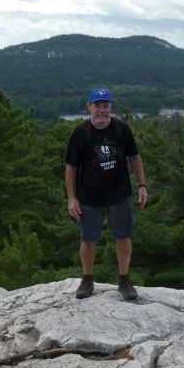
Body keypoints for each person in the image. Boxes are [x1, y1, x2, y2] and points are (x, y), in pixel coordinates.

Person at [65, 87, 148, 300]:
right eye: (97, 105)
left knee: (123, 237)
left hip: (118, 193)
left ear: (110, 107)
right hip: (89, 196)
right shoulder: (81, 133)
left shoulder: (121, 129)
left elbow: (135, 158)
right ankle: (87, 279)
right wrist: (72, 198)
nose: (102, 110)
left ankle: (124, 280)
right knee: (88, 240)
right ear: (89, 107)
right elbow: (71, 167)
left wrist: (142, 185)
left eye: (105, 105)